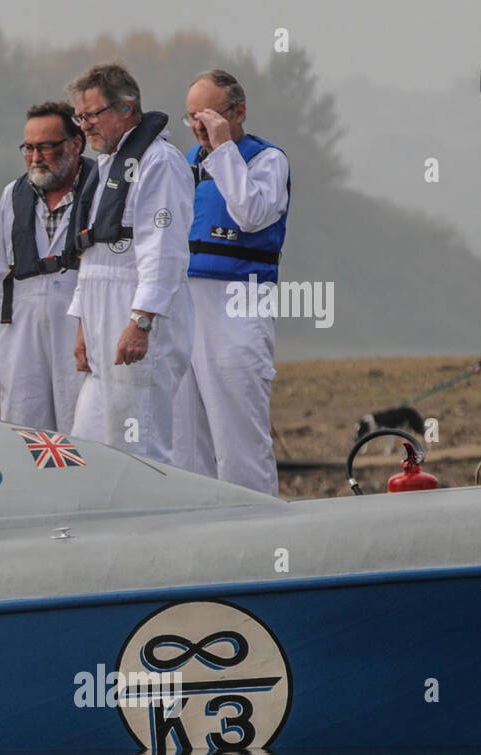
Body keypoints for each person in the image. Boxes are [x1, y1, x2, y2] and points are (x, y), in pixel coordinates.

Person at [64, 63, 194, 465]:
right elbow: (95, 256)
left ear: (125, 109)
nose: (84, 126)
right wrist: (84, 324)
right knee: (89, 441)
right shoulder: (106, 167)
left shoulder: (160, 163)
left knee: (139, 445)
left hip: (137, 315)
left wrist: (141, 321)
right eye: (79, 117)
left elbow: (164, 249)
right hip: (102, 317)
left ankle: (154, 527)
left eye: (91, 115)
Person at [171, 70, 290, 496]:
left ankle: (258, 533)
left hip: (237, 303)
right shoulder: (185, 164)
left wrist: (223, 149)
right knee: (184, 439)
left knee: (238, 436)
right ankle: (194, 532)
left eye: (207, 116)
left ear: (238, 111)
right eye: (191, 119)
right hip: (184, 305)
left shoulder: (267, 161)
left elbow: (251, 214)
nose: (199, 128)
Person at [0, 101, 94, 432]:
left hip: (79, 327)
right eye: (28, 148)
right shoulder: (13, 195)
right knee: (23, 432)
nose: (35, 157)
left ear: (75, 143)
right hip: (20, 333)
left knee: (84, 428)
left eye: (45, 147)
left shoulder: (102, 189)